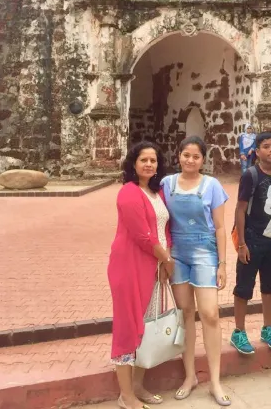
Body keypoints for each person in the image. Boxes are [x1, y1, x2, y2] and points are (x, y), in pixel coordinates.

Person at [161, 137, 232, 407]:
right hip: (177, 254)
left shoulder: (212, 185)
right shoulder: (167, 185)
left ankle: (214, 380)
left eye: (196, 156)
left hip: (205, 253)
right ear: (178, 156)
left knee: (210, 314)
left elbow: (221, 227)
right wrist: (162, 259)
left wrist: (223, 264)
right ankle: (189, 376)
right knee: (185, 315)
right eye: (186, 155)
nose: (190, 160)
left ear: (203, 159)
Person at [108, 142, 175, 409]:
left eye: (153, 160)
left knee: (145, 327)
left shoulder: (157, 193)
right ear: (133, 164)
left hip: (154, 266)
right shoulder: (128, 192)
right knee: (127, 328)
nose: (149, 164)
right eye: (143, 160)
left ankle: (137, 386)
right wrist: (167, 260)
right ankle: (126, 396)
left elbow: (163, 228)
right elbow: (142, 236)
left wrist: (163, 261)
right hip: (130, 266)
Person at [230, 131, 271, 355]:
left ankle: (267, 327)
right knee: (244, 287)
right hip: (252, 238)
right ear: (257, 151)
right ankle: (238, 331)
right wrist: (242, 243)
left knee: (270, 287)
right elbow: (240, 209)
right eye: (265, 146)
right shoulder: (251, 175)